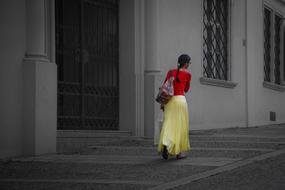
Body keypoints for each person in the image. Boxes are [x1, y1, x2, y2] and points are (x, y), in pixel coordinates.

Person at [158, 54, 192, 160]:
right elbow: (186, 89)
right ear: (186, 63)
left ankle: (165, 143)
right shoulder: (188, 75)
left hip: (170, 101)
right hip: (181, 101)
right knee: (180, 126)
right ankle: (179, 153)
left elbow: (164, 87)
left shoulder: (170, 72)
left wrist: (163, 103)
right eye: (189, 63)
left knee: (168, 124)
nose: (189, 65)